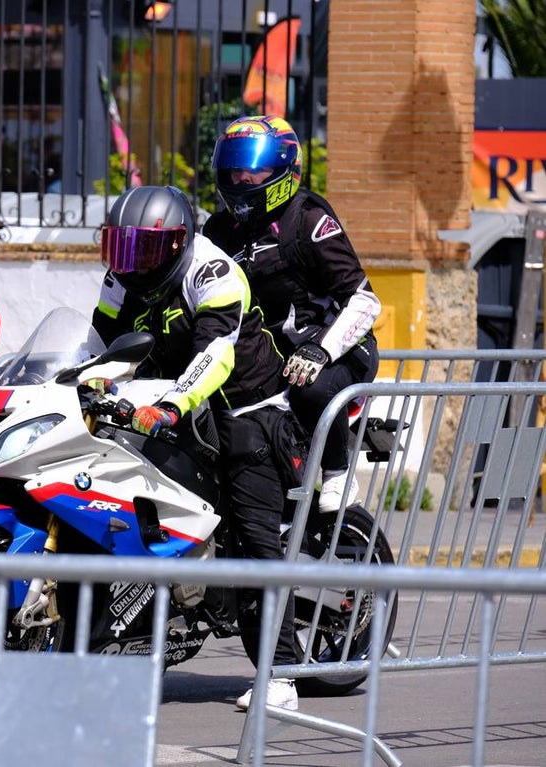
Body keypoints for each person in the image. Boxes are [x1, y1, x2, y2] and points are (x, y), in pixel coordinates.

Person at [92, 185, 302, 712]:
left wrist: (171, 405)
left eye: (145, 250)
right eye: (123, 248)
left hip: (247, 406)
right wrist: (72, 382)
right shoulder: (120, 278)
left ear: (178, 244)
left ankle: (282, 674)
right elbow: (96, 345)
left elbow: (216, 352)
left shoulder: (211, 272)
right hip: (166, 402)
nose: (132, 263)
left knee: (255, 534)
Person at [202, 115, 381, 513]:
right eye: (233, 169)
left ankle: (337, 473)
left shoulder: (309, 221)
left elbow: (365, 301)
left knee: (311, 386)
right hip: (265, 355)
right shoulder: (218, 230)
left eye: (254, 170)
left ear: (285, 168)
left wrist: (322, 350)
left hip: (337, 349)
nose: (241, 180)